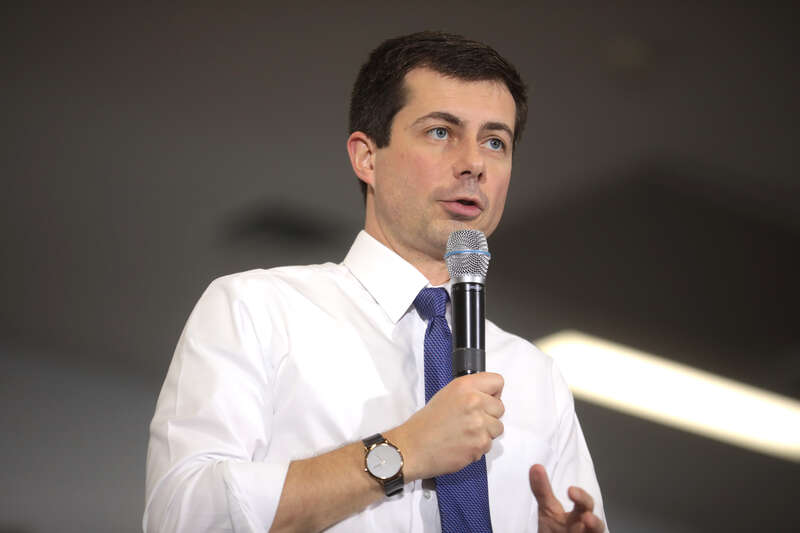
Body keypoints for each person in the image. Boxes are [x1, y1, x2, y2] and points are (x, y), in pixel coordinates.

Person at [144, 31, 607, 533]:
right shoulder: (257, 309)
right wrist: (403, 450)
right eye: (440, 132)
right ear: (367, 157)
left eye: (495, 142)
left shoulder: (537, 377)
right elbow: (180, 517)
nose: (474, 163)